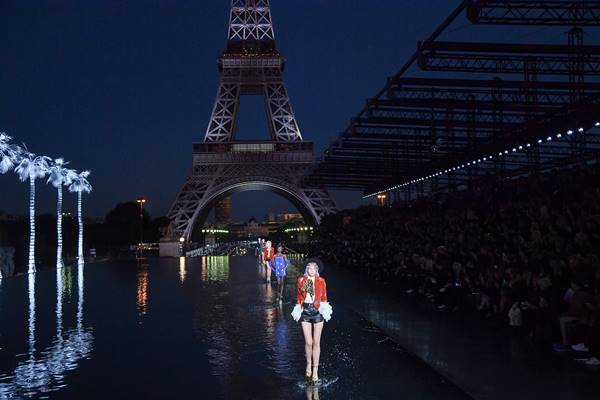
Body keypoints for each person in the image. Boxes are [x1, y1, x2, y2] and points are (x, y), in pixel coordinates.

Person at [291, 262, 333, 383]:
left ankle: (315, 370)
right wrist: (299, 306)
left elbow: (324, 296)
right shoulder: (301, 280)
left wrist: (321, 306)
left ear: (317, 270)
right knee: (308, 342)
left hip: (318, 311)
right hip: (305, 312)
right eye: (310, 268)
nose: (312, 270)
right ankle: (308, 364)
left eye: (314, 269)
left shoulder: (321, 280)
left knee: (316, 342)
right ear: (307, 269)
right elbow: (299, 296)